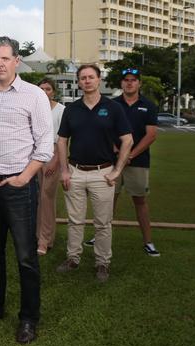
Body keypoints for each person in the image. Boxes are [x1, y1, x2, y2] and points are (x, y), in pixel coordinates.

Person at [0, 36, 53, 345]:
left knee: (26, 256)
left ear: (17, 61)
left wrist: (23, 178)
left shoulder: (33, 96)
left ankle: (28, 319)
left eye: (5, 58)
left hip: (19, 186)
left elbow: (45, 146)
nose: (0, 63)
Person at [56, 64, 133, 282]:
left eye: (91, 77)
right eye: (83, 78)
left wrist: (117, 169)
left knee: (103, 223)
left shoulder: (113, 108)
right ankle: (73, 258)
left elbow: (128, 139)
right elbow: (62, 140)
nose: (87, 81)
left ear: (99, 80)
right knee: (75, 220)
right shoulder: (71, 109)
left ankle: (102, 263)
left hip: (103, 173)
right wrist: (64, 170)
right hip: (75, 172)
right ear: (79, 82)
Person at [85, 68, 160, 257]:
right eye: (126, 80)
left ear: (139, 83)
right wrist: (117, 151)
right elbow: (105, 131)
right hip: (112, 161)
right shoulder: (111, 104)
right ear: (121, 83)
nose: (129, 83)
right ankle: (99, 236)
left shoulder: (148, 106)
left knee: (140, 201)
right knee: (108, 200)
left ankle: (148, 242)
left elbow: (151, 135)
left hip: (138, 161)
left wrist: (130, 155)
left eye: (133, 80)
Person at [36, 78, 66, 255]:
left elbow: (63, 139)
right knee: (35, 198)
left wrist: (56, 162)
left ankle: (45, 239)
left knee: (47, 198)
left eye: (48, 89)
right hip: (33, 157)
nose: (44, 92)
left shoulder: (61, 110)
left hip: (52, 156)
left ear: (53, 91)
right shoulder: (35, 108)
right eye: (41, 89)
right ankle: (37, 234)